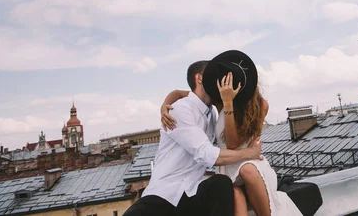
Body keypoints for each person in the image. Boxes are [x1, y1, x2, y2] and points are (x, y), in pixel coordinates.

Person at [161, 50, 302, 216]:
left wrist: (228, 104)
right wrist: (165, 104)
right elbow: (181, 93)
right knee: (235, 194)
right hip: (227, 165)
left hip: (249, 162)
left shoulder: (260, 105)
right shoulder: (218, 99)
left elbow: (233, 143)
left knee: (247, 170)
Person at [124, 60, 263, 216]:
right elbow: (206, 154)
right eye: (214, 76)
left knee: (221, 184)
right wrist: (250, 153)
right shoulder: (181, 109)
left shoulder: (212, 112)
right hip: (164, 193)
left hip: (192, 191)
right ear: (200, 79)